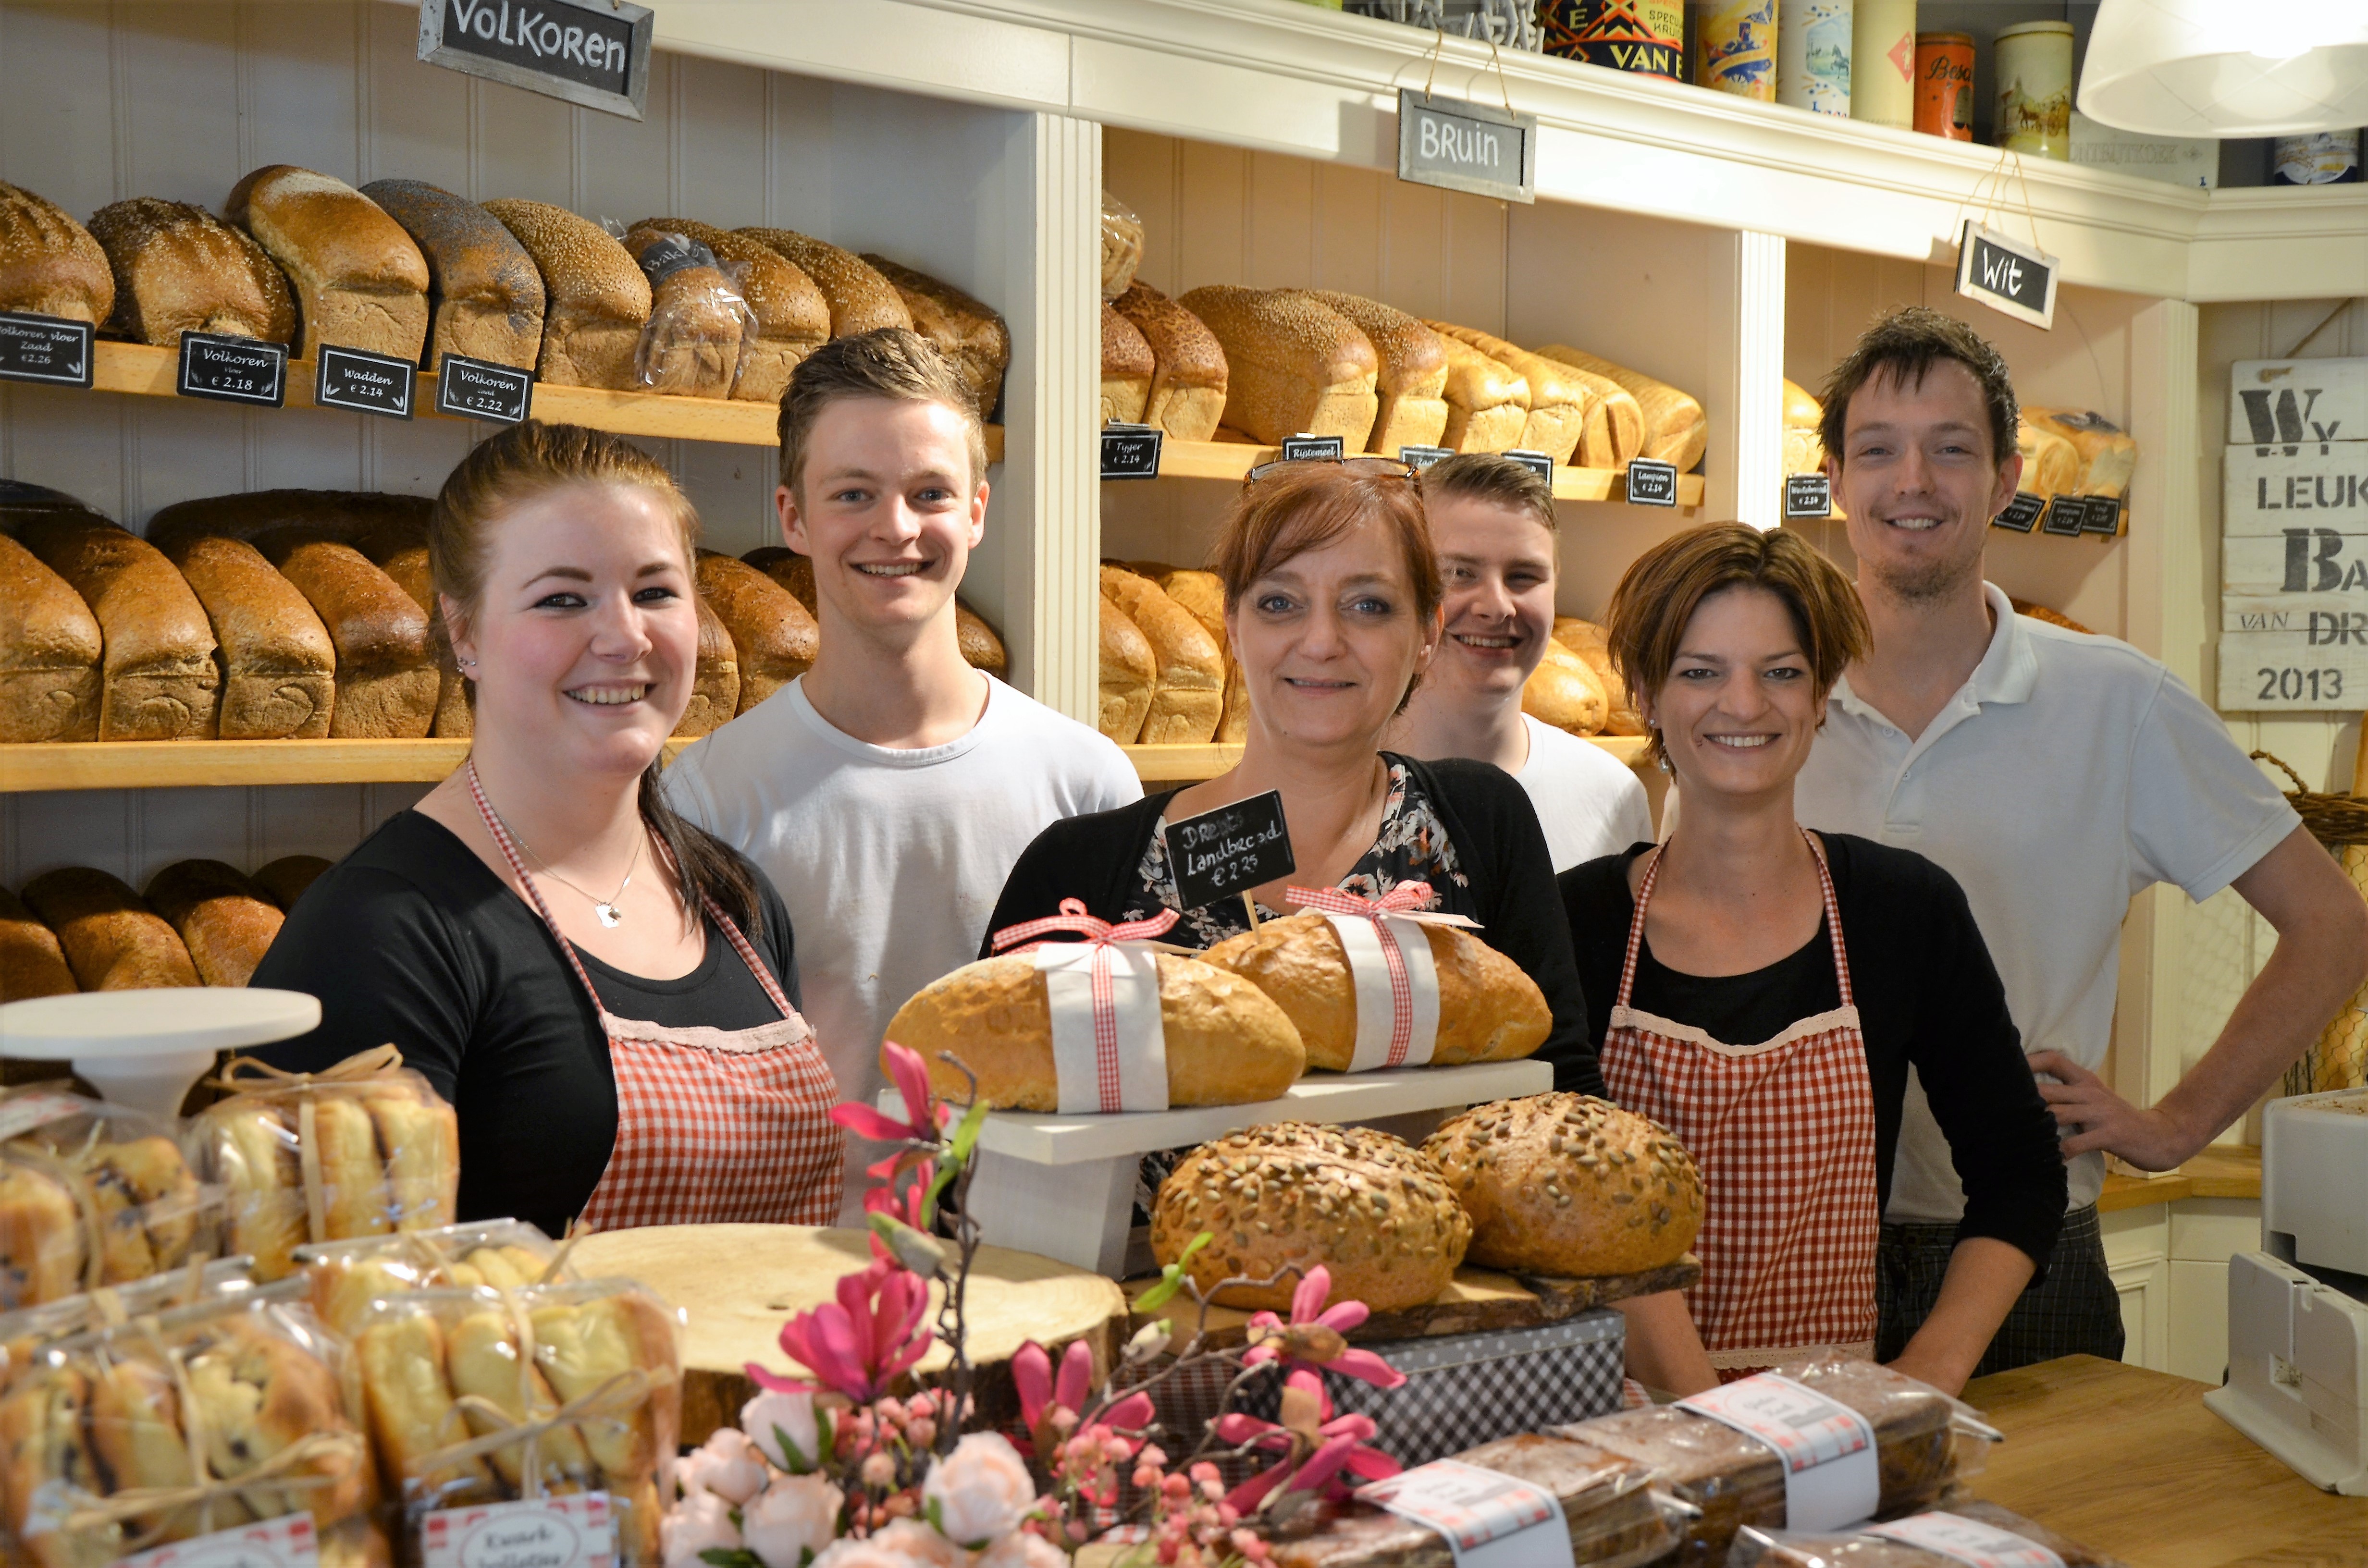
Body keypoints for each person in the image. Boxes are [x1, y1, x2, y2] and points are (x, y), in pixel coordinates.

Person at [1796, 306, 2368, 1374]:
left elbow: (2333, 923)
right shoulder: (1772, 701)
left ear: (2008, 479)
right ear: (1833, 477)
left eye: (1950, 450)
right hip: (1801, 1245)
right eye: (1877, 450)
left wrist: (2174, 1126)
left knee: (2049, 1538)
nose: (1911, 481)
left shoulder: (2115, 701)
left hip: (2030, 1254)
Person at [253, 422, 840, 1237]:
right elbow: (343, 1300)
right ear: (464, 633)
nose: (624, 635)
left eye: (656, 591)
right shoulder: (381, 931)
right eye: (562, 598)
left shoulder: (735, 900)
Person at [1563, 522, 2065, 1396]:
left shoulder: (1899, 908)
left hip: (1830, 1421)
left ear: (1824, 691)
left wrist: (1927, 1371)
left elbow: (2018, 1170)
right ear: (1643, 690)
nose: (1743, 704)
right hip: (1613, 1422)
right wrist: (1707, 1417)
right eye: (1699, 670)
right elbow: (1575, 1210)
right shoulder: (1573, 920)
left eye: (1781, 671)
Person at [664, 330, 1139, 1218]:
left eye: (930, 493)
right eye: (854, 494)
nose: (896, 528)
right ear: (793, 516)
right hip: (802, 1269)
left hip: (1045, 1256)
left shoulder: (1087, 780)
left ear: (978, 512)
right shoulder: (710, 796)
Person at [988, 457, 1594, 1090]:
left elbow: (1563, 1082)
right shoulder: (1078, 871)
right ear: (1232, 624)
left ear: (1426, 632)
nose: (1322, 640)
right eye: (1280, 602)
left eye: (1368, 605)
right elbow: (980, 1122)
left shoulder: (1481, 821)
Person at [1388, 453, 1653, 871]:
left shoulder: (1612, 795)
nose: (1496, 607)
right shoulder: (1330, 785)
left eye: (1523, 576)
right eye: (1458, 573)